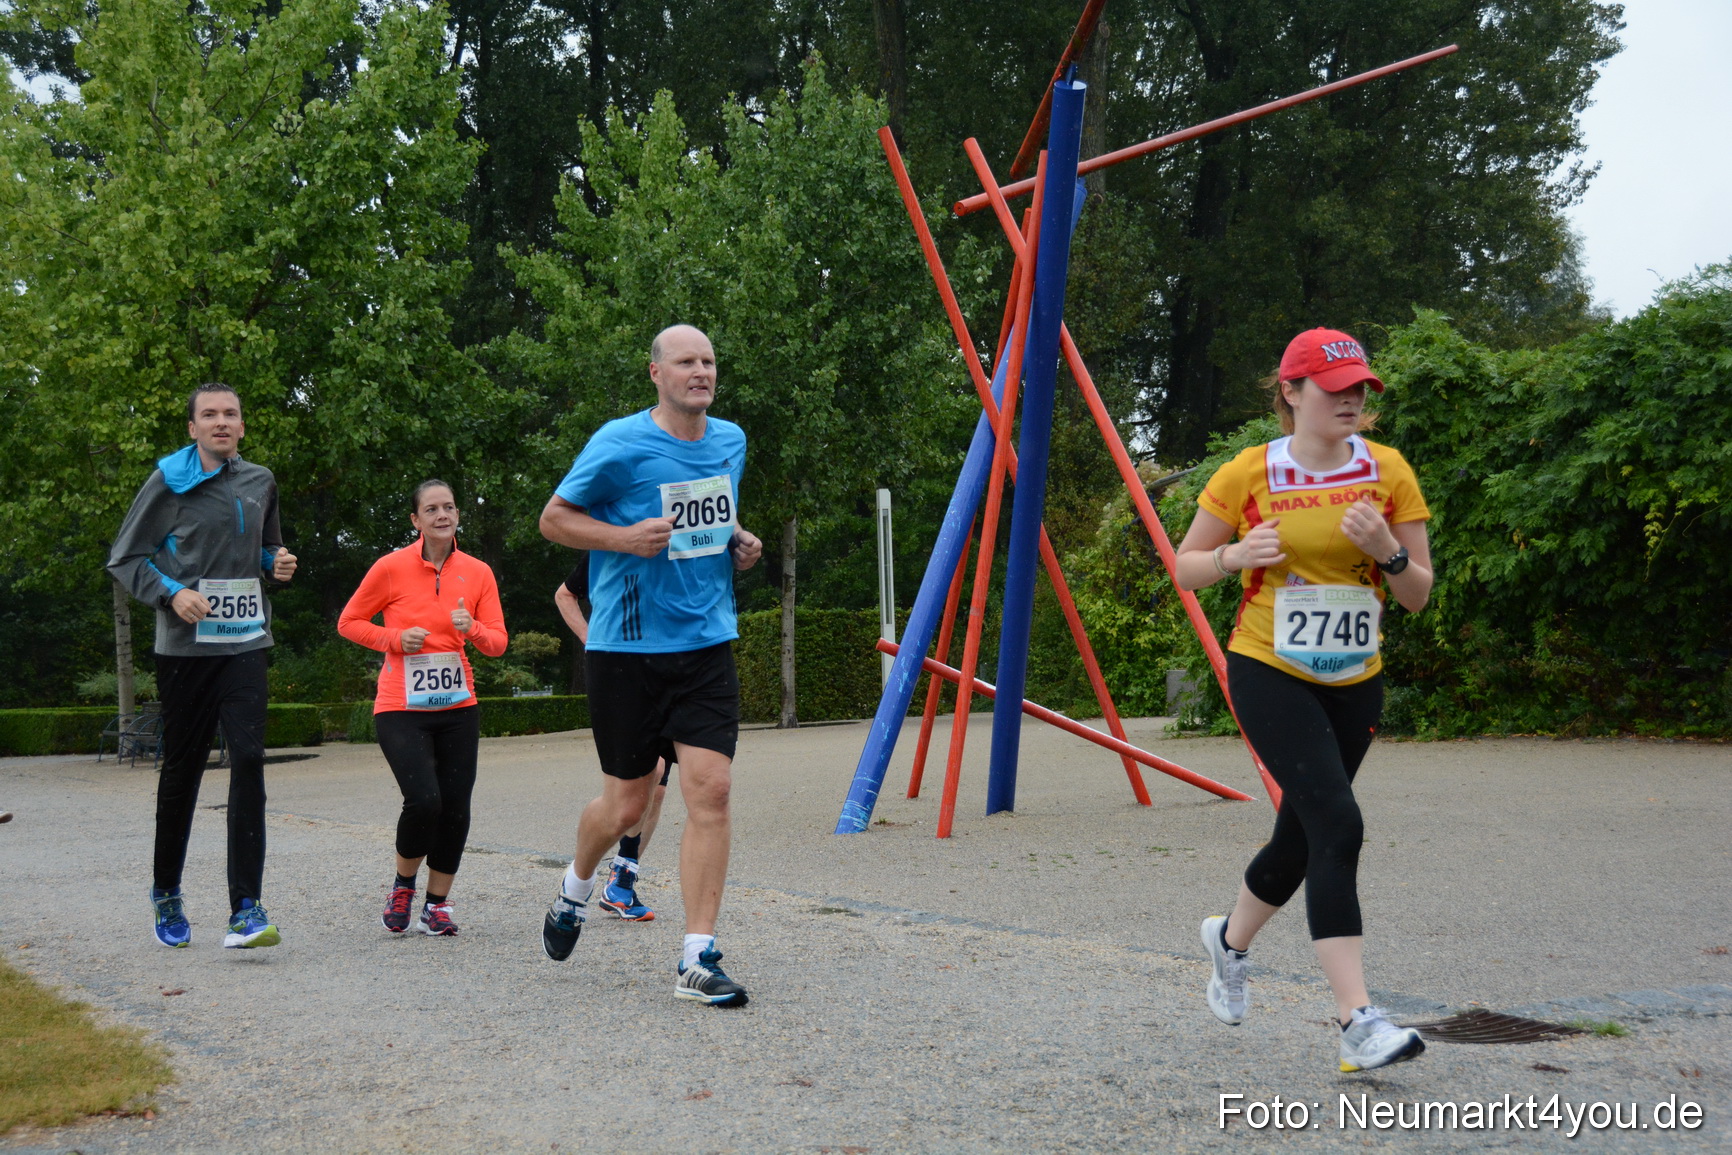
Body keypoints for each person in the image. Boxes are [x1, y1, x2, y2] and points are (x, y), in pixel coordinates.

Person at [1175, 328, 1435, 1073]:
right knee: (1338, 821)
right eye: (1335, 388)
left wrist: (1388, 549)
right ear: (1291, 393)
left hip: (1355, 678)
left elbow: (1417, 594)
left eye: (1360, 388)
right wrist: (1233, 554)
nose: (1352, 399)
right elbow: (1186, 567)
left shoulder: (1388, 472)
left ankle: (1227, 942)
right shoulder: (1249, 472)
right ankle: (1358, 1020)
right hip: (1268, 667)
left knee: (1301, 837)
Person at [537, 323, 763, 1007]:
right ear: (656, 373)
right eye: (686, 361)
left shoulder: (731, 441)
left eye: (710, 361)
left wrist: (740, 540)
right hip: (627, 651)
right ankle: (576, 885)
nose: (701, 371)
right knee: (627, 804)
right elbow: (552, 519)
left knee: (711, 790)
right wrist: (622, 539)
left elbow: (711, 523)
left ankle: (697, 956)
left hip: (704, 645)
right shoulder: (619, 443)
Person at [108, 383, 298, 949]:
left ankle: (246, 907)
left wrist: (277, 563)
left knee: (248, 759)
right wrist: (171, 593)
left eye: (230, 414)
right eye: (209, 415)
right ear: (192, 428)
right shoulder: (170, 480)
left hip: (245, 642)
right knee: (184, 770)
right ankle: (166, 891)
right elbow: (125, 558)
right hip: (187, 651)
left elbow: (265, 553)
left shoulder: (260, 480)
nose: (221, 422)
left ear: (242, 426)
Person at [338, 480, 508, 936]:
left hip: (458, 705)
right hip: (401, 707)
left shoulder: (478, 572)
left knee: (455, 806)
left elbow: (497, 643)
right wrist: (393, 638)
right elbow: (349, 622)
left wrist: (472, 627)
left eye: (449, 507)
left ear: (457, 515)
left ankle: (437, 905)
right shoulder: (390, 568)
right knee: (424, 800)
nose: (442, 515)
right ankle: (403, 885)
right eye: (431, 509)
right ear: (415, 520)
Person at [554, 564, 668, 922]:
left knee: (659, 787)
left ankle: (623, 880)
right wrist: (591, 639)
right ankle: (583, 879)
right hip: (620, 671)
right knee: (642, 783)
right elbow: (564, 594)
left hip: (671, 666)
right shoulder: (611, 539)